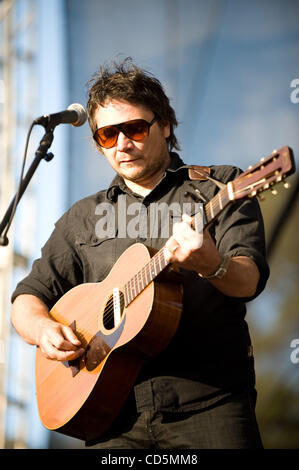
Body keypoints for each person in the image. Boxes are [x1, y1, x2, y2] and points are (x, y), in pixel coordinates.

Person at [10, 57, 269, 449]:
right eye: (107, 136)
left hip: (210, 407)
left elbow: (248, 279)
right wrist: (43, 330)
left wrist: (212, 266)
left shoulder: (220, 186)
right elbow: (26, 299)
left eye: (133, 128)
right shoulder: (83, 217)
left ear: (165, 126)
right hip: (109, 417)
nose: (122, 144)